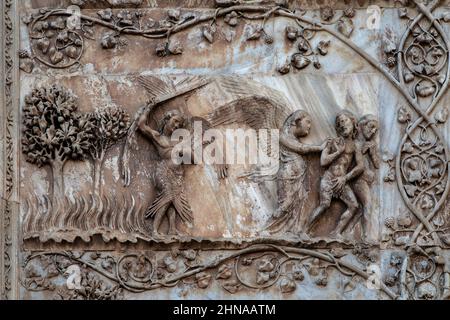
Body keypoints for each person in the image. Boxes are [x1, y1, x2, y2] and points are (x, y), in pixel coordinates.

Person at [266, 110, 326, 237]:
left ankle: (292, 232)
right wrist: (320, 148)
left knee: (297, 205)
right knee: (285, 205)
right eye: (308, 122)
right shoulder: (283, 136)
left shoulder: (293, 138)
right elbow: (301, 149)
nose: (310, 126)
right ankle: (268, 231)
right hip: (288, 177)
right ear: (297, 120)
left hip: (299, 177)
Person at [307, 110, 364, 238]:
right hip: (329, 179)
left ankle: (336, 232)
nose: (342, 124)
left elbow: (361, 166)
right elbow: (323, 161)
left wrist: (345, 178)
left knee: (354, 206)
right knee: (324, 205)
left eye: (345, 121)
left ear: (353, 121)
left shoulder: (355, 146)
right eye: (339, 123)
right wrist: (338, 152)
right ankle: (304, 231)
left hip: (341, 181)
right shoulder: (333, 142)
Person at [138, 107, 193, 237]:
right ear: (168, 119)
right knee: (168, 196)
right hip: (163, 171)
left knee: (173, 200)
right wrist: (148, 108)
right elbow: (141, 125)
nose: (176, 126)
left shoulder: (179, 142)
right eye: (175, 121)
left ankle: (172, 229)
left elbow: (194, 159)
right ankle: (154, 230)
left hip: (176, 175)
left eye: (179, 125)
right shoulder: (158, 136)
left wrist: (184, 151)